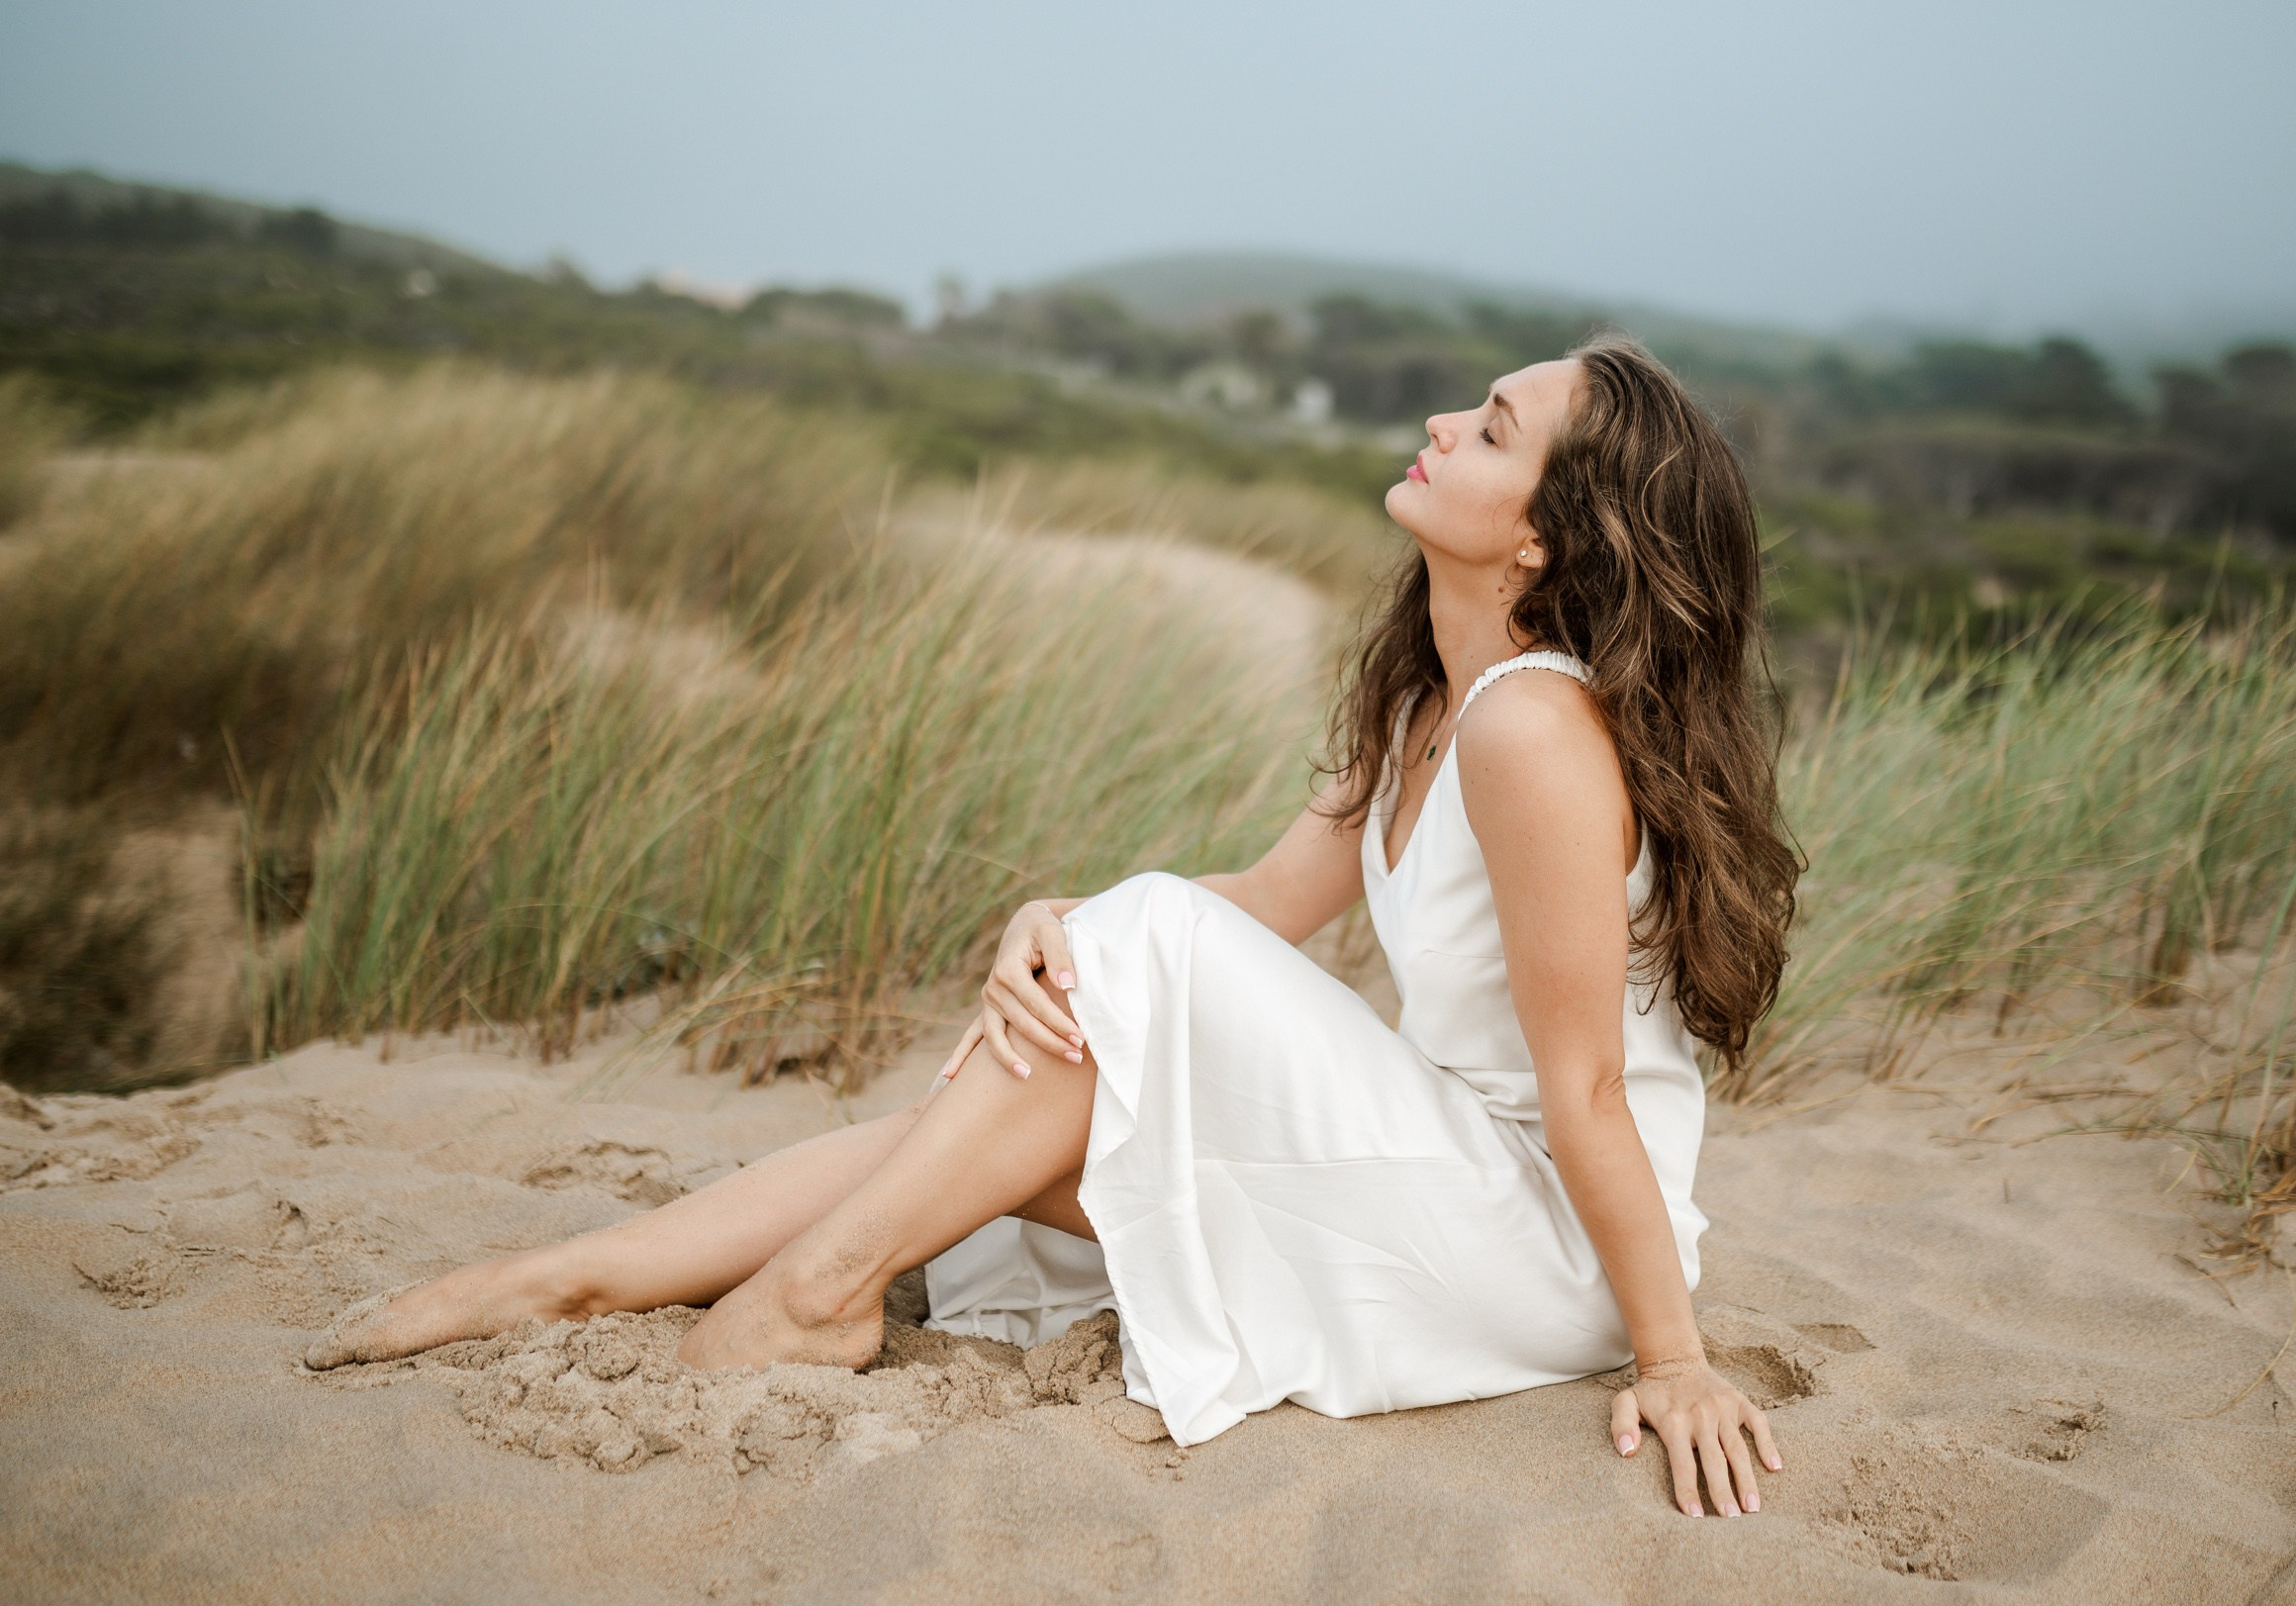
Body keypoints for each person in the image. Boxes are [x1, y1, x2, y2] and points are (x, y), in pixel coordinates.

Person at [306, 334, 1803, 1519]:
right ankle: (571, 1277)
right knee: (1053, 1061)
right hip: (1436, 1174)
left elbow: (1590, 1091)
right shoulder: (1426, 693)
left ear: (1544, 537)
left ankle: (812, 1297)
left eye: (1489, 429)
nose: (1440, 426)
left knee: (1109, 990)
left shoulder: (1534, 732)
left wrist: (1672, 1361)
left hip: (1540, 1239)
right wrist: (1057, 919)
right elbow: (1275, 905)